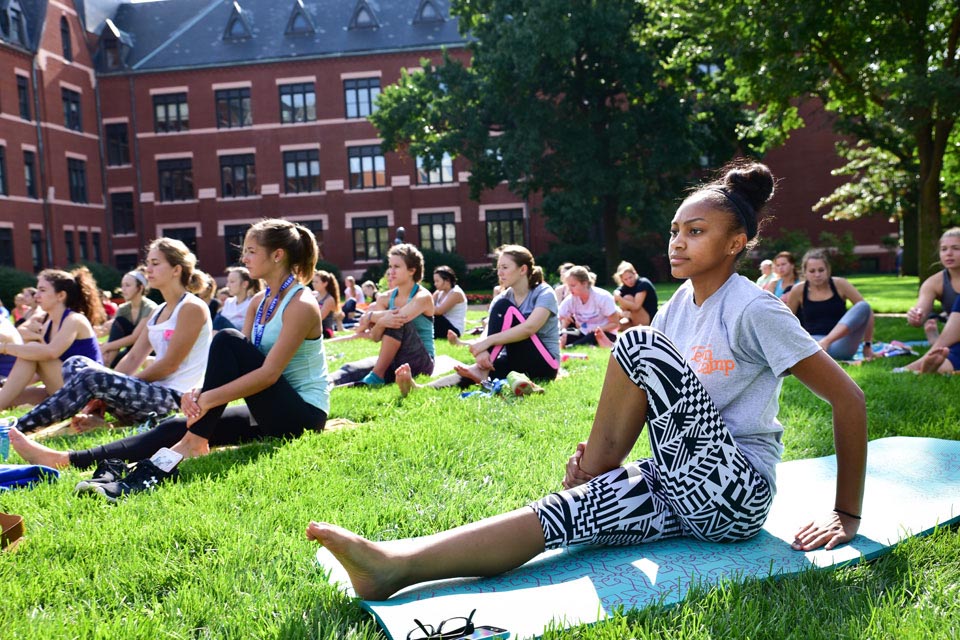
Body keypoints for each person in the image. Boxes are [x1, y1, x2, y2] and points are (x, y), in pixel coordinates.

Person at [306, 161, 867, 600]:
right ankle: (395, 568)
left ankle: (594, 473)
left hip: (738, 491)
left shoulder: (754, 309)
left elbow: (849, 397)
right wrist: (609, 472)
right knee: (559, 514)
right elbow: (665, 409)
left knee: (636, 342)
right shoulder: (675, 309)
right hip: (680, 484)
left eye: (695, 232)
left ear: (736, 242)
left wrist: (846, 514)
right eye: (674, 230)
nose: (677, 242)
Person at [10, 219, 329, 500]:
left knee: (226, 340)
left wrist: (206, 398)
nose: (242, 258)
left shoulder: (301, 303)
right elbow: (242, 364)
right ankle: (66, 459)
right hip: (268, 410)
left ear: (278, 255)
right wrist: (199, 394)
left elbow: (269, 374)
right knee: (176, 425)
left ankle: (194, 440)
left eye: (250, 251)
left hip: (302, 414)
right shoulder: (259, 301)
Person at [9, 238, 212, 434]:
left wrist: (118, 384)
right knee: (75, 363)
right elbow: (133, 357)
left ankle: (16, 428)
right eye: (148, 263)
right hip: (150, 395)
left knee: (93, 377)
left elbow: (170, 364)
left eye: (155, 263)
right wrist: (113, 385)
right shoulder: (158, 311)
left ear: (176, 270)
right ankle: (94, 414)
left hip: (177, 399)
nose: (148, 269)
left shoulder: (191, 308)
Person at [397, 245, 560, 396]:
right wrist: (482, 350)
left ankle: (481, 372)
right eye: (498, 268)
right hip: (516, 363)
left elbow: (529, 328)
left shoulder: (544, 292)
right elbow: (489, 329)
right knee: (470, 370)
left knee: (504, 308)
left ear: (523, 269)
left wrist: (488, 343)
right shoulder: (502, 297)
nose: (499, 272)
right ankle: (420, 389)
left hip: (544, 365)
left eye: (505, 267)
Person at [330, 244, 434, 387]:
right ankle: (326, 382)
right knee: (350, 369)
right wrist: (380, 323)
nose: (391, 271)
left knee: (397, 319)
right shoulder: (385, 298)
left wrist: (370, 316)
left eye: (396, 267)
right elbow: (375, 337)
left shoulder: (423, 297)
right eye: (390, 266)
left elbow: (398, 317)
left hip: (421, 362)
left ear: (412, 270)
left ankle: (377, 376)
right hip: (394, 360)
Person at [0, 267, 104, 411]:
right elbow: (39, 365)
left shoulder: (74, 320)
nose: (37, 296)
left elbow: (50, 353)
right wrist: (8, 383)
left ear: (60, 295)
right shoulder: (48, 322)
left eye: (42, 290)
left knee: (33, 349)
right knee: (11, 396)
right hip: (65, 387)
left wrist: (4, 348)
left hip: (88, 394)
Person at [785, 249, 875, 361]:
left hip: (840, 345)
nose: (817, 275)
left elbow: (867, 313)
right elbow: (787, 322)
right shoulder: (798, 290)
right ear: (805, 273)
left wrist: (867, 346)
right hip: (813, 345)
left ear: (828, 270)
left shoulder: (841, 284)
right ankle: (820, 346)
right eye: (812, 271)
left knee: (863, 306)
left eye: (821, 270)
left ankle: (826, 342)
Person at [906, 227, 960, 344]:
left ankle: (937, 343)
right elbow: (921, 311)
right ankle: (938, 343)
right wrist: (915, 316)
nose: (949, 254)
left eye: (956, 248)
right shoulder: (934, 282)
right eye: (943, 249)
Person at [100, 268, 159, 368]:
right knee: (119, 322)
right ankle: (106, 362)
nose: (123, 289)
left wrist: (106, 346)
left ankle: (105, 363)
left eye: (127, 285)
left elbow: (134, 338)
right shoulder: (123, 308)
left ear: (140, 288)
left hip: (148, 351)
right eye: (122, 285)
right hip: (130, 351)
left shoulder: (150, 308)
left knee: (118, 324)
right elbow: (115, 330)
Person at [558, 266, 619, 347]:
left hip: (605, 333)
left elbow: (615, 324)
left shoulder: (603, 297)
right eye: (568, 286)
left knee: (591, 336)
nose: (569, 289)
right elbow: (558, 315)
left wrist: (598, 329)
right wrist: (564, 322)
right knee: (562, 334)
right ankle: (564, 344)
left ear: (585, 283)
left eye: (573, 285)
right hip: (583, 332)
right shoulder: (571, 299)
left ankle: (572, 346)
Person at [900, 295, 960, 374]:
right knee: (951, 356)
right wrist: (915, 314)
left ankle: (928, 361)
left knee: (952, 356)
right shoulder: (935, 283)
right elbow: (920, 310)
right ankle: (934, 367)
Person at [612, 261, 658, 329]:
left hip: (648, 320)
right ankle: (627, 321)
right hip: (632, 319)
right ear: (622, 280)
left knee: (628, 298)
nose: (629, 281)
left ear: (635, 273)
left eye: (630, 277)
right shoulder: (623, 288)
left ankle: (629, 322)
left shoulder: (643, 283)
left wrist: (619, 298)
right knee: (614, 321)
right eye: (626, 279)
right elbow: (610, 304)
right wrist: (621, 312)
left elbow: (636, 306)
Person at [214, 266, 261, 332]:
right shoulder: (228, 302)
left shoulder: (252, 302)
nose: (228, 285)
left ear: (245, 284)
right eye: (228, 281)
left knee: (220, 320)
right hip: (225, 336)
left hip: (241, 336)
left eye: (232, 282)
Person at [432, 266, 468, 340]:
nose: (435, 284)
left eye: (437, 281)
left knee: (434, 317)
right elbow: (428, 304)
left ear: (447, 280)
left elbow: (439, 311)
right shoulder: (438, 292)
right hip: (442, 324)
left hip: (454, 330)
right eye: (434, 281)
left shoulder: (456, 293)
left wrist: (422, 308)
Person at [312, 270, 342, 339]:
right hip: (314, 328)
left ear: (325, 283)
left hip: (326, 331)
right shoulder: (314, 295)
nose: (314, 284)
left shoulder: (329, 300)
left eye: (316, 282)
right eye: (313, 281)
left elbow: (320, 318)